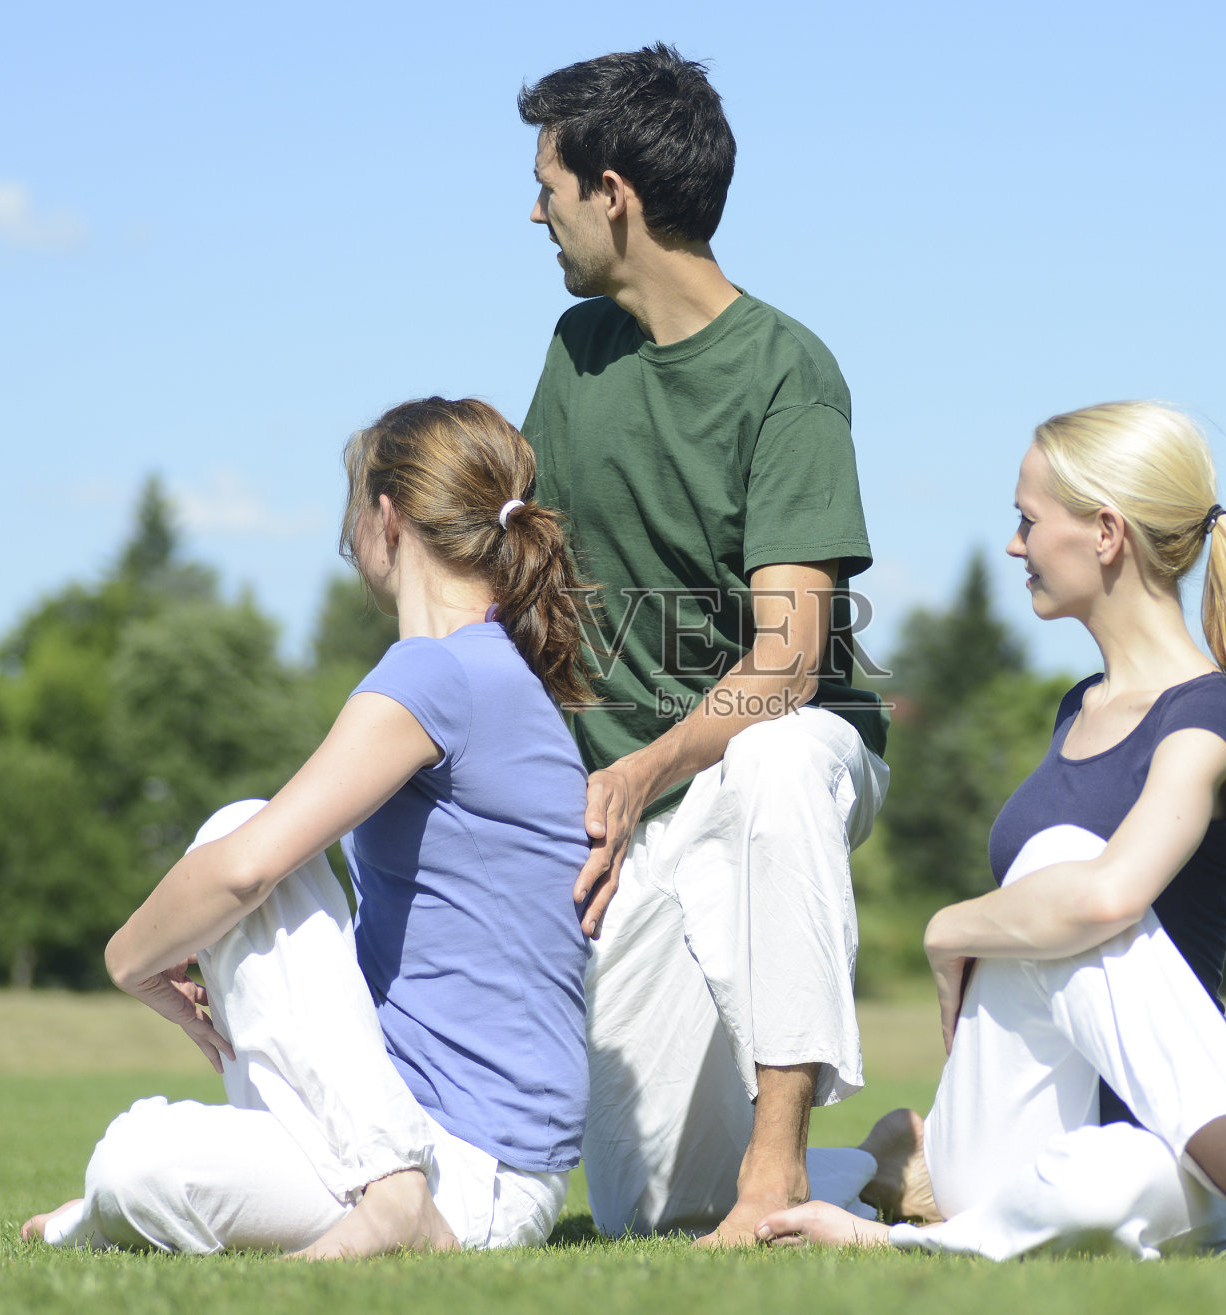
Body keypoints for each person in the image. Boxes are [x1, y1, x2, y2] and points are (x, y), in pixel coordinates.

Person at [757, 402, 1226, 1262]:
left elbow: (1111, 896)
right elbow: (1085, 898)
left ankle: (910, 1177)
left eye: (1027, 520)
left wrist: (948, 927)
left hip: (1159, 1137)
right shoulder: (1076, 707)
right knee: (1061, 860)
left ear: (1106, 532)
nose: (1015, 546)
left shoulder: (1211, 719)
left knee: (1106, 1181)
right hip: (1011, 1119)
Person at [21, 398, 595, 1258]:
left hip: (464, 1171)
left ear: (386, 518)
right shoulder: (496, 672)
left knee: (240, 825)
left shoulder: (437, 672)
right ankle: (344, 1185)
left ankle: (392, 1193)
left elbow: (246, 869)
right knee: (132, 1167)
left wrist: (130, 963)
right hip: (462, 1157)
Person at [517, 45, 890, 1246]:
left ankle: (779, 1169)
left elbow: (786, 665)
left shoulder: (788, 370)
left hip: (789, 753)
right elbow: (525, 595)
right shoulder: (578, 357)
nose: (538, 210)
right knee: (654, 1207)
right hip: (644, 802)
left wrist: (637, 771)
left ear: (610, 193)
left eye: (550, 184)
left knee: (773, 764)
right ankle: (880, 1168)